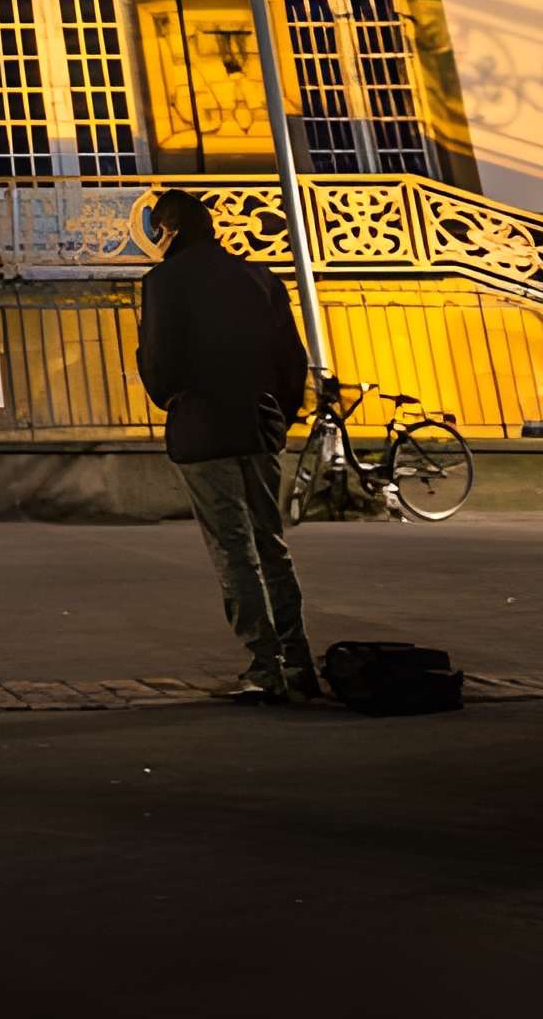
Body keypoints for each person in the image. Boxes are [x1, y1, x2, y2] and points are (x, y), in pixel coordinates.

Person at [136, 186, 317, 704]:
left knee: (232, 547)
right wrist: (280, 412)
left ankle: (265, 664)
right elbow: (291, 355)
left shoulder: (165, 281)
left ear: (167, 231)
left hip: (203, 425)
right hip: (260, 422)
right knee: (271, 543)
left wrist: (168, 394)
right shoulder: (258, 277)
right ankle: (299, 658)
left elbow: (161, 365)